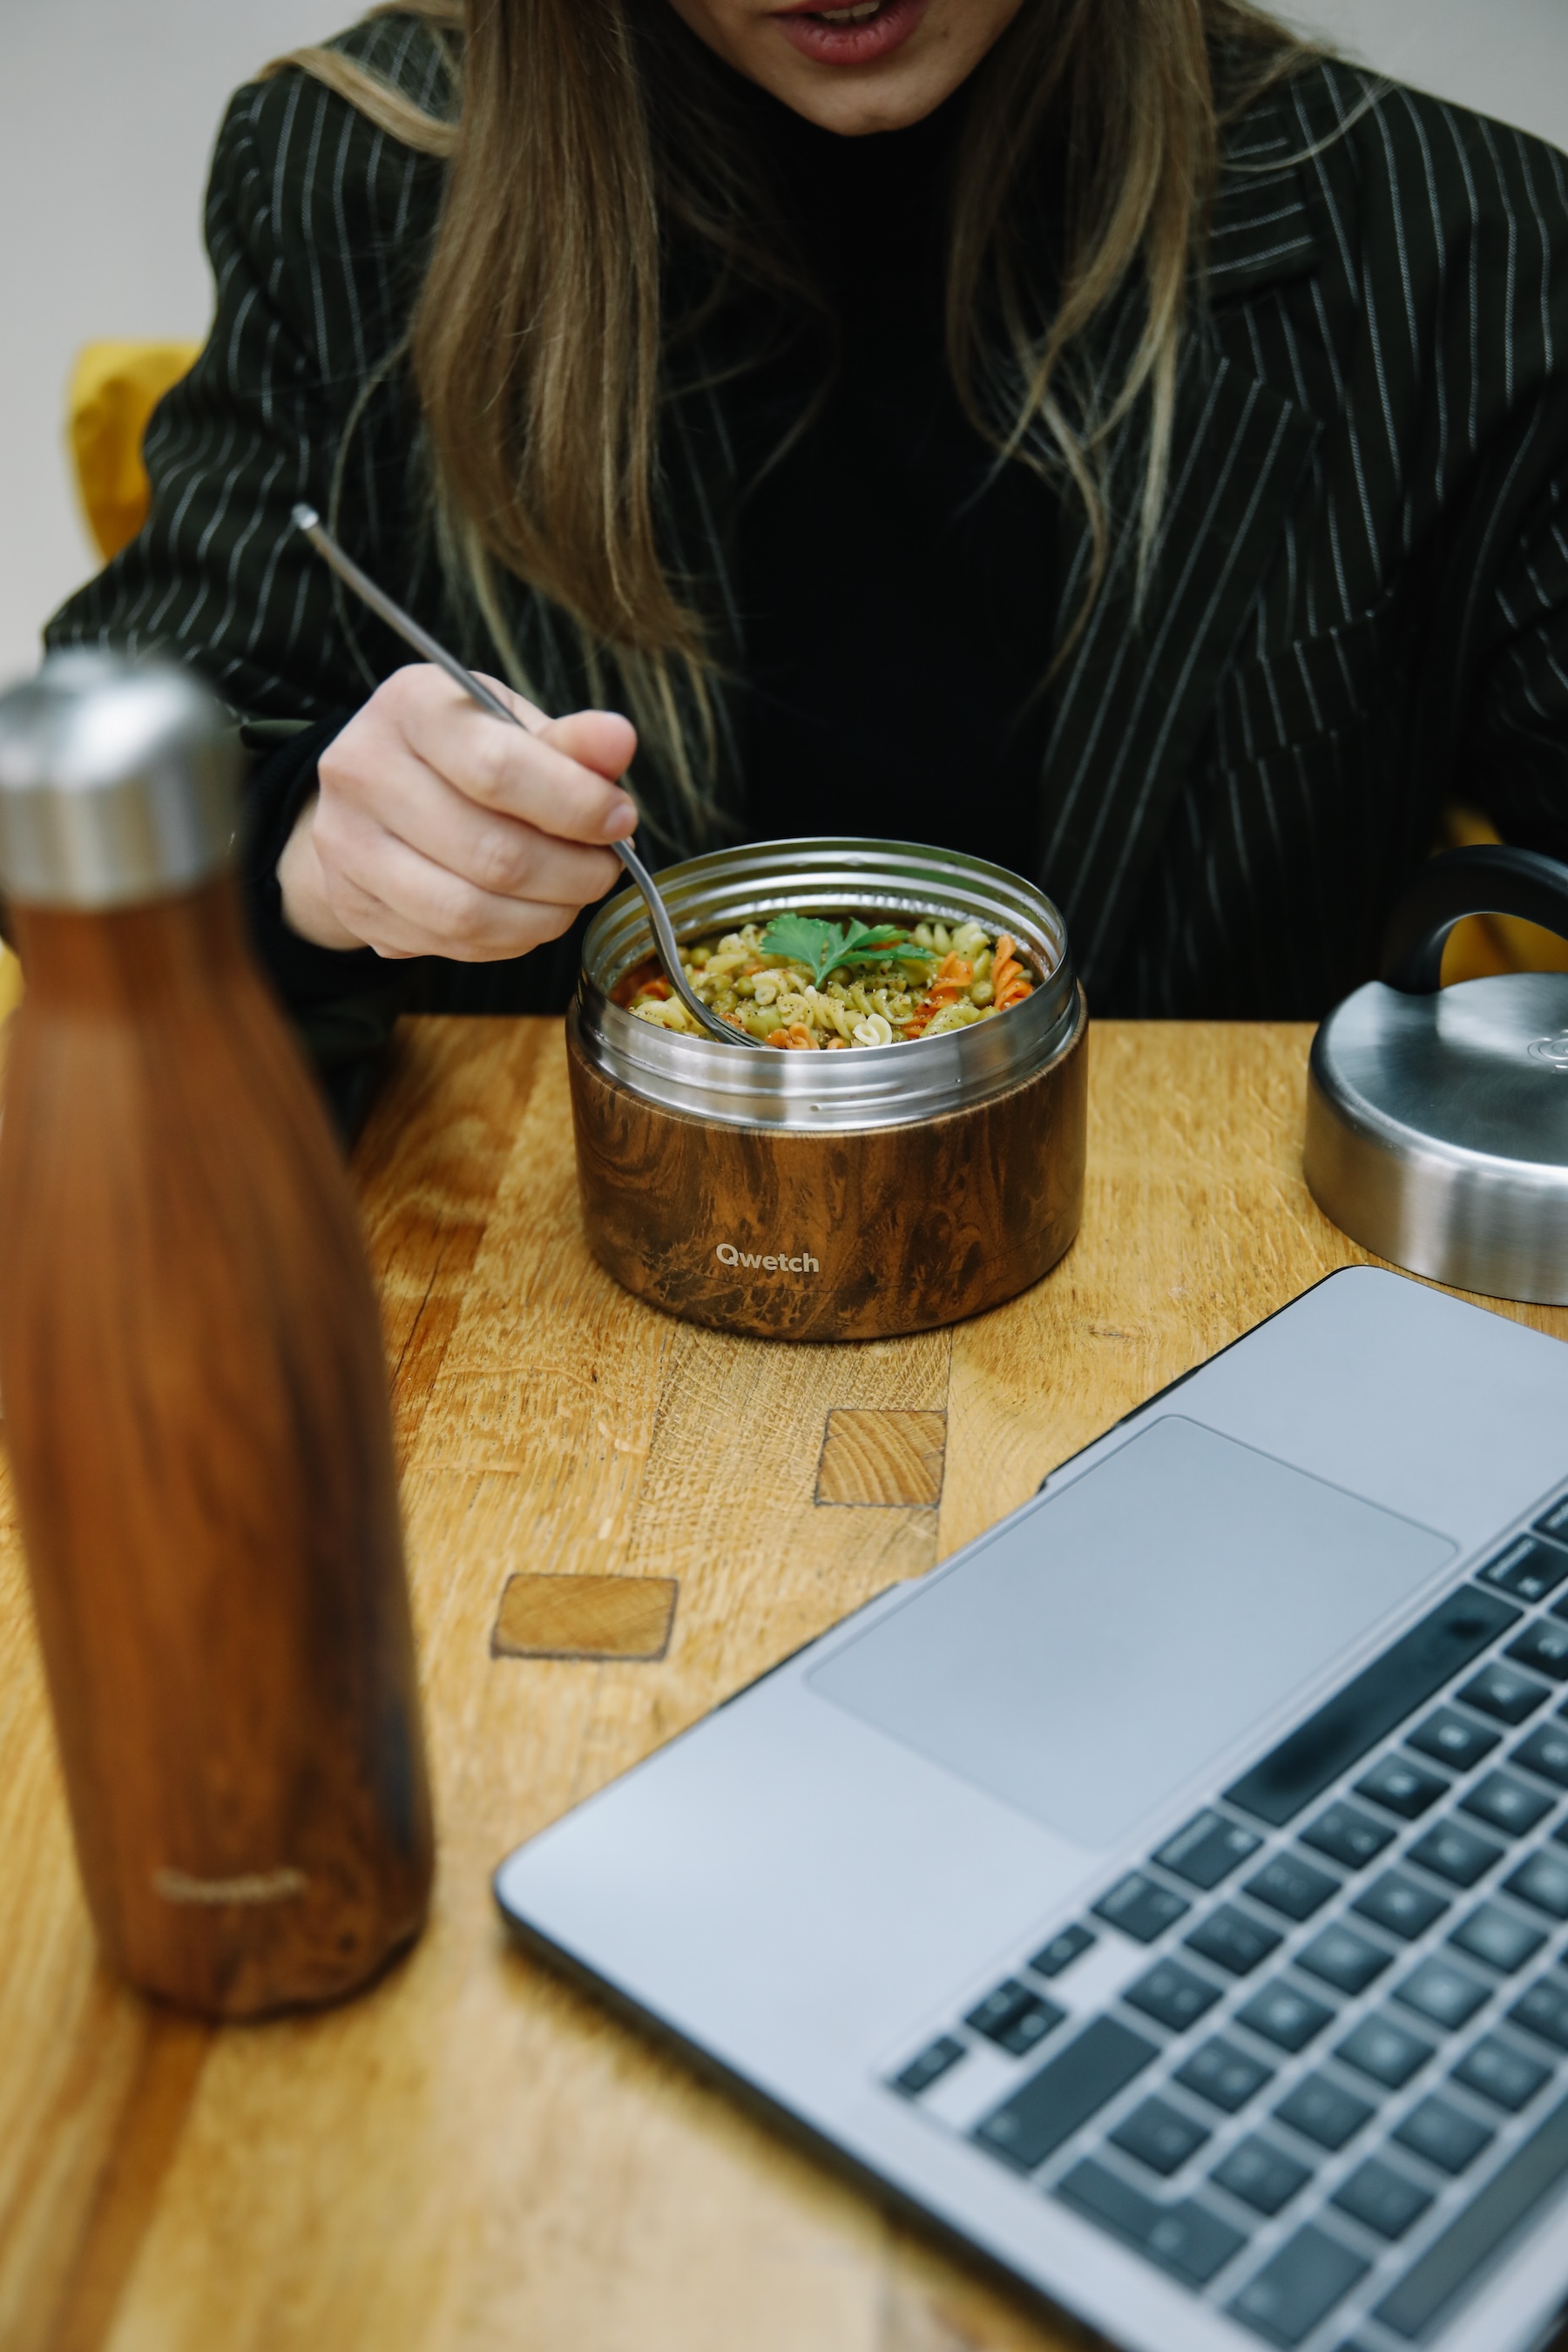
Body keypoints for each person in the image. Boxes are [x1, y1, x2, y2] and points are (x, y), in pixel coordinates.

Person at [46, 0, 1568, 1129]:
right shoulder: (348, 182)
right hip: (556, 1334)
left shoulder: (1457, 252)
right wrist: (301, 852)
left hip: (1214, 1330)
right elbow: (91, 792)